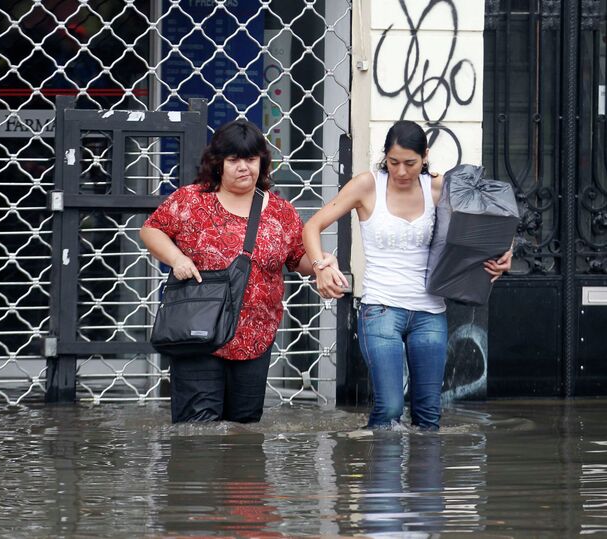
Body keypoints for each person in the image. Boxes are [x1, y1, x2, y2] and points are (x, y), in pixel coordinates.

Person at [302, 120, 512, 430]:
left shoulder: (439, 187)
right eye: (394, 162)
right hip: (380, 309)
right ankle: (381, 475)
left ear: (425, 156)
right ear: (385, 157)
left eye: (410, 163)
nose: (401, 172)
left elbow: (492, 223)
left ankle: (424, 477)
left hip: (430, 311)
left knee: (429, 416)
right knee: (389, 408)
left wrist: (505, 254)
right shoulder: (366, 185)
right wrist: (320, 267)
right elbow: (312, 226)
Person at [140, 119, 339, 423]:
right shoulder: (191, 200)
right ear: (218, 162)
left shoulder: (280, 211)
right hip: (198, 332)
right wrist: (177, 258)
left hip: (254, 336)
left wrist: (322, 262)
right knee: (198, 431)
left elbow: (297, 257)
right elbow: (152, 230)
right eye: (234, 159)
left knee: (243, 430)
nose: (243, 167)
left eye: (250, 159)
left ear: (262, 162)